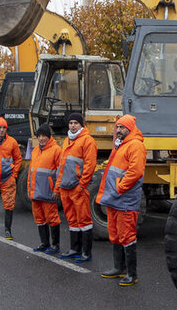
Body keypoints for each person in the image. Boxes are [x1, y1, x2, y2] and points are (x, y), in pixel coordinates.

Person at [96, 114, 146, 286]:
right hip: (115, 198)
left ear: (129, 129)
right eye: (117, 127)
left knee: (127, 236)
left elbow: (136, 172)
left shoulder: (135, 146)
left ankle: (132, 274)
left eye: (121, 127)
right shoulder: (121, 144)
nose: (118, 130)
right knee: (115, 234)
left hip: (124, 199)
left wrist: (119, 187)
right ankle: (119, 268)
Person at [55, 112, 98, 262]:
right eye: (71, 123)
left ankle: (86, 253)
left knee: (84, 220)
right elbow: (62, 166)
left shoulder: (88, 141)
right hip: (66, 188)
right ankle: (75, 249)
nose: (73, 126)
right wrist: (58, 186)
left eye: (75, 123)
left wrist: (81, 185)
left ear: (81, 125)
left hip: (77, 188)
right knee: (72, 220)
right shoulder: (67, 140)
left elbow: (90, 166)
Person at [28, 124, 62, 254]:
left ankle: (55, 245)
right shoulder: (35, 150)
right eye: (39, 136)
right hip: (36, 191)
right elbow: (31, 172)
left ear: (49, 136)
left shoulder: (56, 150)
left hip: (48, 192)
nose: (41, 138)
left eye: (44, 136)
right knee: (39, 218)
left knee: (52, 218)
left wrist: (56, 190)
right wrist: (29, 189)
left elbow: (60, 172)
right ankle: (44, 243)